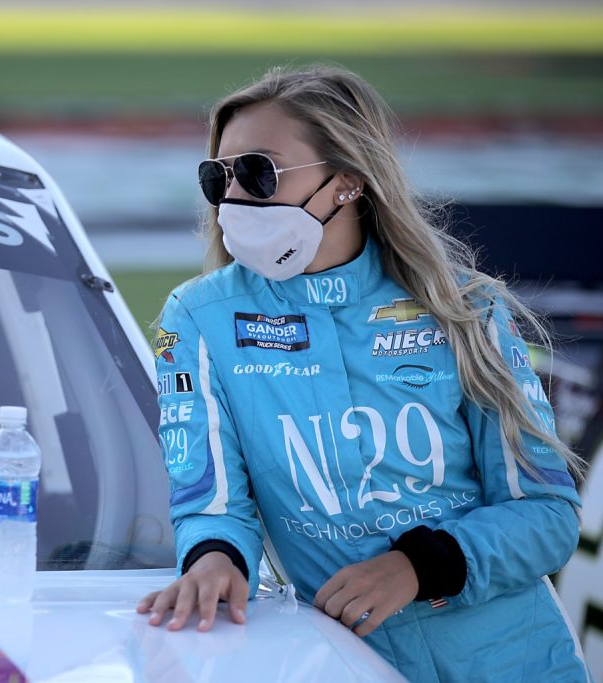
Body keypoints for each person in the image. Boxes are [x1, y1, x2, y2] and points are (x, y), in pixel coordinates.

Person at [136, 65, 589, 682]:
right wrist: (215, 561)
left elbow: (547, 513)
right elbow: (211, 503)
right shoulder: (195, 319)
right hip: (344, 663)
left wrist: (417, 567)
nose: (235, 197)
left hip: (516, 661)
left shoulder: (466, 308)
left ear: (347, 180)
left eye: (258, 172)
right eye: (219, 177)